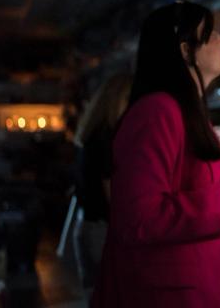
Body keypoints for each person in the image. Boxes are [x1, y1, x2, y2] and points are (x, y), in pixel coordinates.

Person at [92, 0, 220, 308]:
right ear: (185, 50)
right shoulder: (157, 112)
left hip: (195, 285)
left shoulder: (188, 113)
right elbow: (139, 218)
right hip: (166, 293)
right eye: (210, 34)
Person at [72, 72, 132, 291]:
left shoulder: (88, 135)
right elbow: (111, 195)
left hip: (84, 226)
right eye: (128, 100)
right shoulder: (106, 138)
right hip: (101, 230)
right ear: (116, 101)